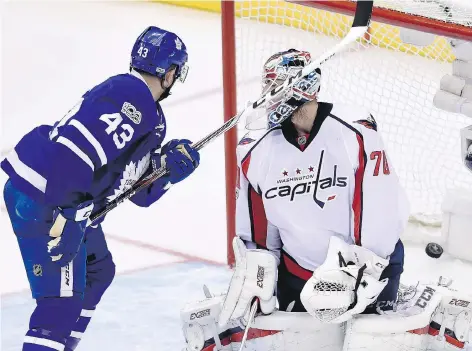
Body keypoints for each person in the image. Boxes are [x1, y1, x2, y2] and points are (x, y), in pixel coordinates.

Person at [2, 26, 200, 351]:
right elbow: (74, 149)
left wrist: (166, 172)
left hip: (61, 197)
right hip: (50, 199)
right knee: (57, 310)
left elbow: (136, 192)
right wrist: (73, 215)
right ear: (171, 72)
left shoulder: (149, 114)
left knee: (98, 270)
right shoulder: (131, 96)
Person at [220, 48, 409, 324]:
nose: (268, 96)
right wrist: (258, 268)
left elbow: (380, 210)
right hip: (298, 276)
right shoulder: (254, 149)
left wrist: (362, 272)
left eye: (274, 87)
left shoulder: (355, 131)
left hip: (367, 273)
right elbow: (258, 229)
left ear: (296, 89)